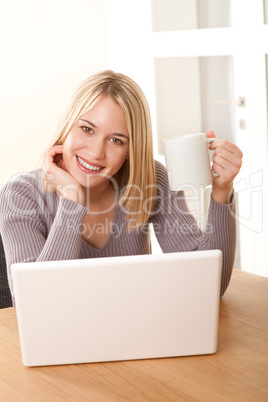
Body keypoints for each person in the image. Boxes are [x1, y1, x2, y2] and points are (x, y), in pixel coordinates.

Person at [0, 70, 243, 306]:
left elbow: (209, 286)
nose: (96, 152)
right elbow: (36, 305)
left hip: (136, 336)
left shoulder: (149, 179)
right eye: (87, 129)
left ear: (130, 151)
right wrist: (72, 200)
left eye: (116, 140)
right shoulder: (21, 195)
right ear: (67, 127)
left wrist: (222, 191)